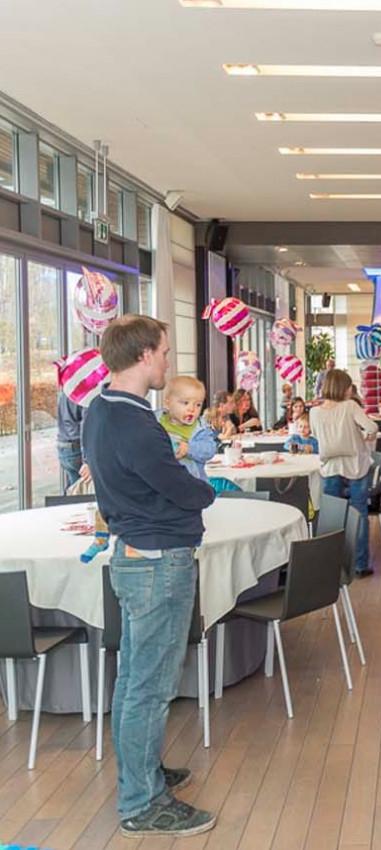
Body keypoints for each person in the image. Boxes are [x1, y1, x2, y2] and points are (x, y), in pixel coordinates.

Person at [81, 315, 217, 837]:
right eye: (163, 352)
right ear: (142, 356)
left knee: (135, 679)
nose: (167, 361)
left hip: (135, 556)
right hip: (159, 561)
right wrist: (207, 493)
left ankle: (143, 774)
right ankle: (142, 801)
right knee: (150, 686)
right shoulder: (135, 423)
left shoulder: (102, 410)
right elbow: (177, 486)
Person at [311, 369, 379, 577]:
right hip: (355, 467)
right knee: (358, 513)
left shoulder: (315, 411)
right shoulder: (350, 407)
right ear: (343, 387)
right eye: (349, 386)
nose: (351, 390)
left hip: (330, 467)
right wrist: (365, 435)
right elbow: (372, 426)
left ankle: (331, 564)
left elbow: (315, 435)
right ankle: (360, 565)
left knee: (332, 516)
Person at [158, 375, 219, 483]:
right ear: (168, 403)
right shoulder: (155, 420)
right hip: (162, 481)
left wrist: (189, 449)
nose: (192, 409)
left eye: (198, 405)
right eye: (185, 403)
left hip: (191, 484)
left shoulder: (200, 428)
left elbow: (209, 450)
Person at [56, 391, 85, 493]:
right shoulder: (83, 396)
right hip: (76, 448)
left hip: (63, 446)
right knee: (79, 492)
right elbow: (85, 429)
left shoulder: (64, 392)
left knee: (73, 486)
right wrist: (87, 461)